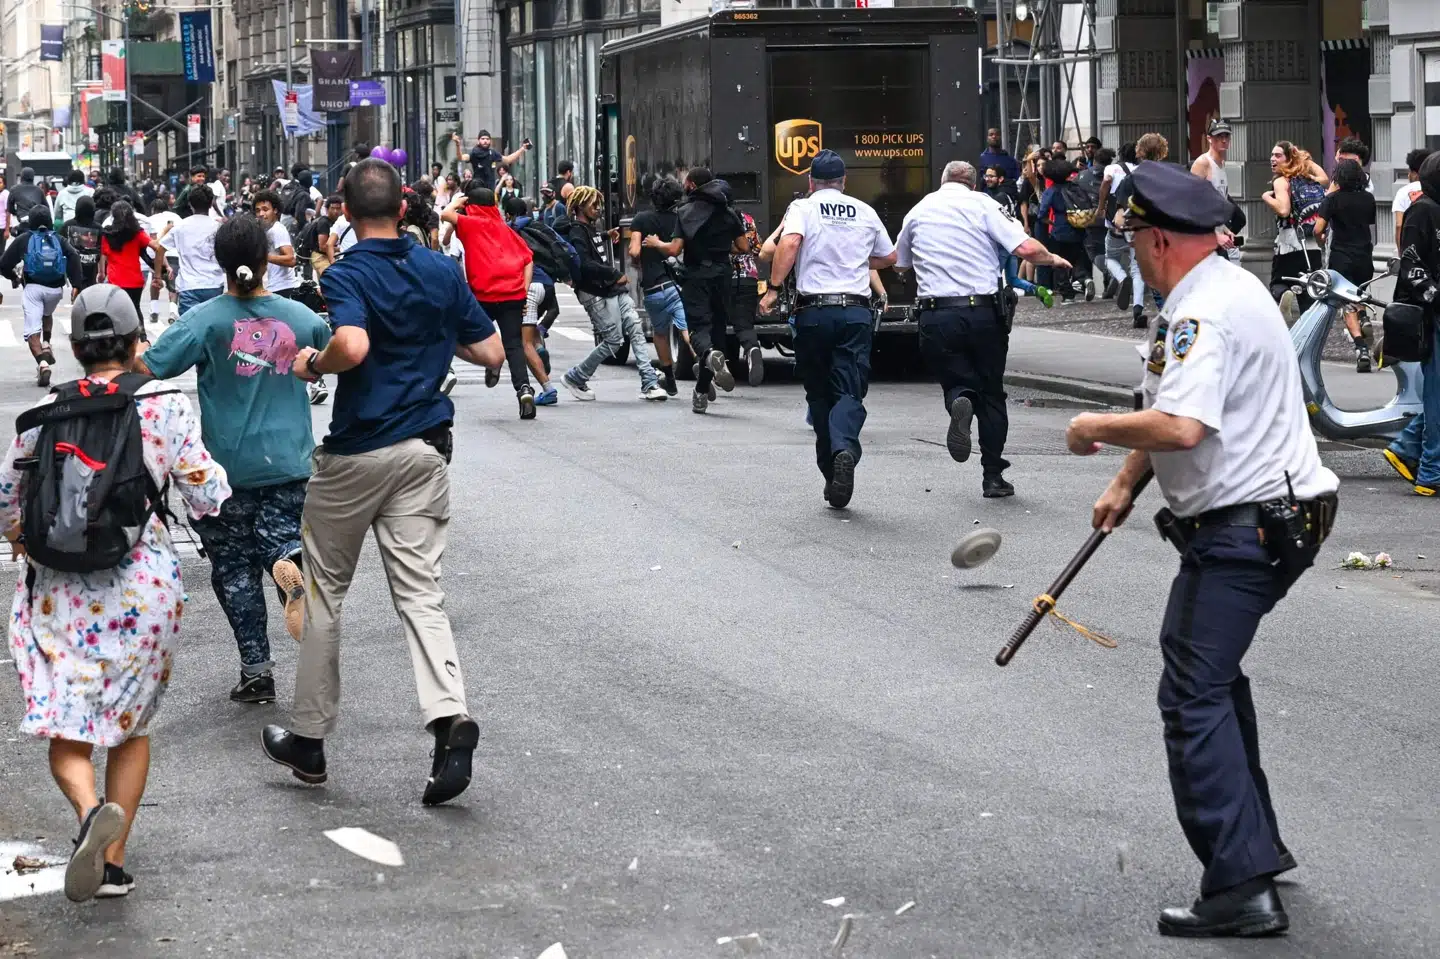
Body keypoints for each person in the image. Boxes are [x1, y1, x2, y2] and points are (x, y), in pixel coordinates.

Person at [1067, 161, 1338, 938]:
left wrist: (1094, 430)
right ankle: (1253, 845)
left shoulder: (1201, 314)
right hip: (1274, 513)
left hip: (1250, 524)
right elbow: (1180, 405)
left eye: (1134, 239)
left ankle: (1240, 884)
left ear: (1157, 239)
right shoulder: (1222, 287)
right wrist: (1127, 481)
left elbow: (1183, 426)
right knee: (1209, 678)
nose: (1135, 254)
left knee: (1191, 691)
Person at [259, 158, 505, 806]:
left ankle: (310, 740)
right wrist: (430, 336)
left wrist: (315, 361)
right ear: (404, 207)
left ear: (344, 210)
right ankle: (450, 717)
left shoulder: (346, 273)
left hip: (356, 455)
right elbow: (491, 351)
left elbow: (355, 345)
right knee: (422, 594)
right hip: (424, 451)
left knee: (323, 595)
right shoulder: (440, 270)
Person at [1, 284, 231, 902]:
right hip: (142, 590)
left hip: (58, 592)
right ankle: (112, 861)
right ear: (136, 345)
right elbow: (206, 491)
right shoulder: (165, 407)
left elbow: (6, 505)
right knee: (129, 730)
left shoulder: (48, 411)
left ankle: (87, 813)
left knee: (67, 728)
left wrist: (23, 532)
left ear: (75, 348)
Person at [139, 216, 331, 703]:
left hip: (225, 472)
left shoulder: (204, 319)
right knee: (281, 536)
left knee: (234, 569)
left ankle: (256, 672)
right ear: (267, 259)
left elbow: (150, 368)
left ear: (218, 261)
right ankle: (288, 562)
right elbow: (344, 356)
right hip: (290, 461)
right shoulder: (301, 318)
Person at [896, 160, 1072, 498]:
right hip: (982, 314)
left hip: (937, 314)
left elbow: (900, 262)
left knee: (955, 377)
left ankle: (959, 398)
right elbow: (1024, 248)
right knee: (992, 393)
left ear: (943, 179)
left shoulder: (919, 210)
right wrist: (1052, 259)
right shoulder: (985, 205)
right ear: (973, 184)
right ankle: (993, 476)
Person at [758, 149, 895, 507]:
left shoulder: (803, 208)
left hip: (814, 312)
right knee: (850, 389)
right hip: (855, 311)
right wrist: (852, 257)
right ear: (844, 181)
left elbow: (789, 243)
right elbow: (889, 257)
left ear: (811, 181)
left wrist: (773, 288)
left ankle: (831, 472)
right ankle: (845, 448)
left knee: (818, 394)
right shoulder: (864, 210)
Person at [555, 185, 667, 401]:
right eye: (593, 205)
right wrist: (615, 273)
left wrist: (606, 235)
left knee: (635, 329)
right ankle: (576, 377)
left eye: (599, 204)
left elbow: (592, 243)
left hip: (611, 288)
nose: (598, 209)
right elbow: (585, 263)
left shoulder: (588, 228)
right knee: (613, 341)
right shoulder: (577, 230)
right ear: (579, 207)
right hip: (594, 292)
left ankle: (649, 383)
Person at [442, 185, 539, 418]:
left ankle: (491, 363)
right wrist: (523, 291)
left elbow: (445, 214)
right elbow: (528, 259)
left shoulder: (470, 224)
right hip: (512, 295)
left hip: (483, 296)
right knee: (513, 344)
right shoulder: (505, 229)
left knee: (473, 337)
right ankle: (524, 389)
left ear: (470, 206)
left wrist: (458, 203)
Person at [1384, 151, 1440, 497]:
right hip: (1433, 317)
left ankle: (1406, 448)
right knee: (1436, 396)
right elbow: (1412, 264)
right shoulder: (1423, 210)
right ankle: (1431, 472)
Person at [669, 168, 747, 412]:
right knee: (717, 329)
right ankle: (701, 392)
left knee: (699, 331)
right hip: (723, 275)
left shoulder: (684, 213)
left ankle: (711, 355)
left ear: (692, 185)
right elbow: (743, 247)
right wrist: (723, 249)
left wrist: (657, 244)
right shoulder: (728, 212)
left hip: (696, 276)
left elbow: (675, 248)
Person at [0, 207, 88, 386]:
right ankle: (47, 342)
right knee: (47, 314)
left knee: (33, 330)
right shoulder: (59, 239)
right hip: (55, 291)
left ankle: (43, 363)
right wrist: (76, 284)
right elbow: (73, 256)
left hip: (33, 289)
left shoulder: (24, 239)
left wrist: (14, 278)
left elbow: (4, 264)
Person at [1098, 134, 1170, 327]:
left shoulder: (1133, 179)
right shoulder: (1172, 174)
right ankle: (1174, 316)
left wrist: (1128, 229)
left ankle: (1167, 319)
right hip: (1169, 235)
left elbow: (1120, 215)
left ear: (1140, 151)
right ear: (1163, 152)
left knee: (1151, 276)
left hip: (1146, 235)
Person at [628, 176, 692, 396]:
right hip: (677, 286)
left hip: (653, 289)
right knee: (686, 330)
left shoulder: (641, 219)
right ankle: (706, 366)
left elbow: (634, 251)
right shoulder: (681, 219)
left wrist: (639, 260)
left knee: (660, 333)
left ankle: (670, 380)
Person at [505, 195, 569, 405]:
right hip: (547, 285)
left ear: (508, 213)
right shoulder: (538, 226)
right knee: (530, 330)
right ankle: (539, 347)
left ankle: (548, 388)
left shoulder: (510, 230)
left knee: (523, 344)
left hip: (530, 286)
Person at [1314, 159, 1376, 371]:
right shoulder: (1368, 198)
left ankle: (1361, 348)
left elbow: (1318, 228)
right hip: (1364, 255)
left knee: (1346, 301)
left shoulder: (1332, 200)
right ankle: (1364, 316)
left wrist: (1321, 240)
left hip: (1342, 256)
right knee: (1358, 294)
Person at [1262, 141, 1330, 321]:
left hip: (1289, 245)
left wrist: (1267, 198)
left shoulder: (1281, 181)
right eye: (1272, 155)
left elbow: (1284, 210)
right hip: (1311, 244)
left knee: (1278, 283)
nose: (1272, 159)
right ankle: (1307, 335)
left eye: (1278, 155)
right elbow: (1324, 179)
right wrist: (1300, 157)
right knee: (1308, 294)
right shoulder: (1308, 179)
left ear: (1289, 158)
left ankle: (1284, 294)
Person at [984, 165, 1053, 307]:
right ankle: (1037, 290)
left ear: (1000, 179)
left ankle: (995, 306)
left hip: (1002, 244)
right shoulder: (1007, 195)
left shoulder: (998, 198)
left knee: (994, 276)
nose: (988, 179)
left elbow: (997, 223)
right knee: (1013, 279)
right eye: (986, 176)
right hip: (1012, 243)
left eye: (991, 176)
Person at [98, 200, 167, 332]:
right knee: (135, 308)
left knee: (113, 311)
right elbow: (158, 247)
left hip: (115, 281)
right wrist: (158, 274)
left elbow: (102, 255)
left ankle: (119, 338)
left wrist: (101, 273)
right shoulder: (137, 234)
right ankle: (142, 337)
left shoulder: (107, 235)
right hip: (135, 282)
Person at [1035, 159, 1092, 303]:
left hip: (1060, 229)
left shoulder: (1051, 191)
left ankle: (1067, 294)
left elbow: (1042, 213)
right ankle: (1085, 278)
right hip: (1078, 227)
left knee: (1058, 263)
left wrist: (1049, 221)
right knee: (1077, 258)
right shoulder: (1075, 187)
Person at [165, 185, 226, 315]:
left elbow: (159, 248)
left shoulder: (180, 226)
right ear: (211, 204)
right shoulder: (218, 228)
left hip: (189, 287)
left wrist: (158, 276)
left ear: (190, 204)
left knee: (190, 328)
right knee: (213, 326)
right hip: (214, 285)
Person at [252, 190, 301, 300]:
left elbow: (291, 260)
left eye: (265, 209)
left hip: (283, 288)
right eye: (258, 210)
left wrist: (262, 255)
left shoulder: (277, 230)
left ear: (275, 210)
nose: (261, 214)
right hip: (276, 287)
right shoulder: (269, 230)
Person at [453, 130, 531, 190]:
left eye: (487, 139)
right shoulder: (474, 153)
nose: (485, 141)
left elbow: (508, 159)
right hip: (477, 187)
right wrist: (457, 145)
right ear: (478, 141)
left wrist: (523, 148)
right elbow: (461, 157)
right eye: (482, 139)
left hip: (490, 187)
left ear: (490, 141)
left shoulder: (493, 153)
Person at [145, 197, 182, 324]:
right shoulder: (175, 217)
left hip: (156, 255)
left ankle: (154, 311)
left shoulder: (149, 220)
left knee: (155, 282)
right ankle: (172, 312)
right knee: (173, 286)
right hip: (174, 254)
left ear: (153, 209)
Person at [59, 195, 103, 292]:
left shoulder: (67, 225)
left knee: (78, 286)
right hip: (92, 267)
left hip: (73, 265)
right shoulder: (98, 227)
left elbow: (60, 245)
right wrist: (101, 271)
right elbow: (102, 249)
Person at [1392, 148, 1430, 250]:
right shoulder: (1434, 188)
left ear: (1414, 173)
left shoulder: (1402, 192)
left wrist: (1401, 251)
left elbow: (1399, 225)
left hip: (1411, 247)